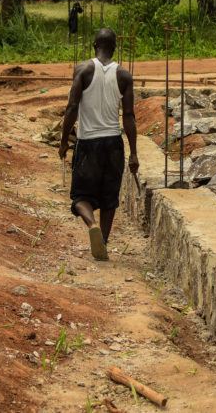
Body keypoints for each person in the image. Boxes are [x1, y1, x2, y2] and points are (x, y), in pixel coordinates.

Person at [59, 28, 139, 261]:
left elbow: (72, 107)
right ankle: (102, 241)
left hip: (88, 143)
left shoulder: (83, 70)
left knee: (80, 196)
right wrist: (133, 153)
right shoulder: (124, 76)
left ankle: (91, 224)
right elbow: (129, 116)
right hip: (113, 143)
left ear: (94, 45)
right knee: (109, 196)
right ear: (115, 48)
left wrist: (64, 141)